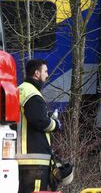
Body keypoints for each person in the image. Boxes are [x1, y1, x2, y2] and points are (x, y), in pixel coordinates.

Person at [17, 59, 61, 193]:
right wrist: (56, 124)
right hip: (34, 159)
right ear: (37, 73)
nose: (47, 75)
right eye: (45, 71)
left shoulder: (21, 90)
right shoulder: (32, 94)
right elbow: (40, 121)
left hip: (24, 157)